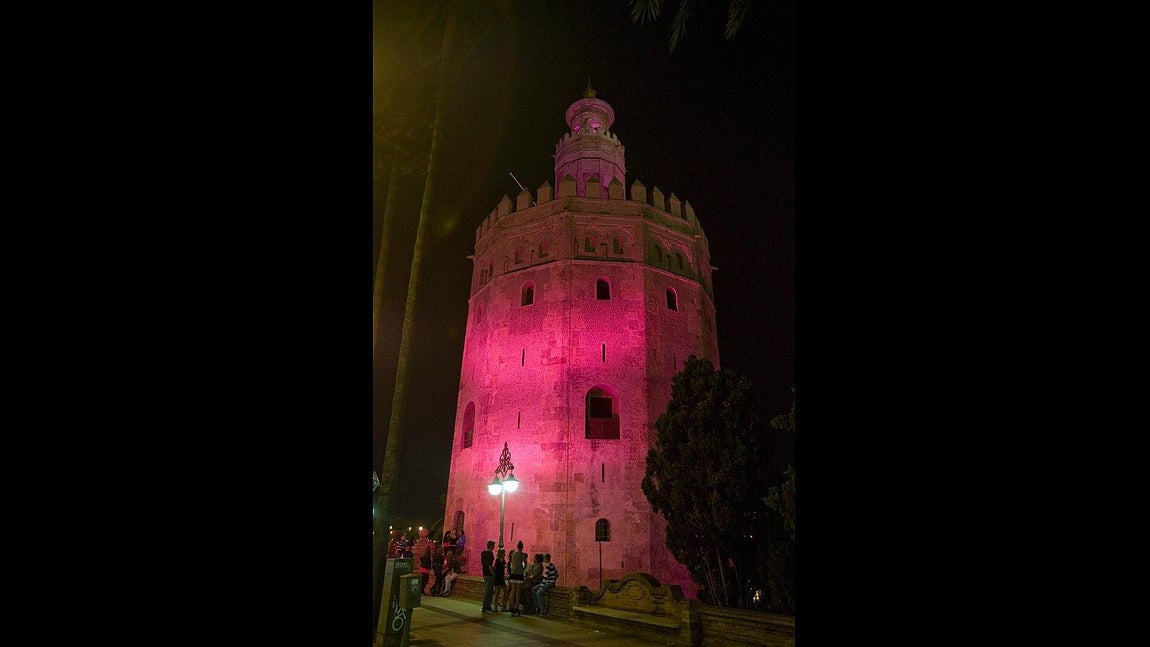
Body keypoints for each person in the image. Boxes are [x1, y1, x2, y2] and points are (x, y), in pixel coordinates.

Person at [502, 541, 528, 616]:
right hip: (519, 574)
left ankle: (511, 606)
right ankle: (516, 608)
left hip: (513, 574)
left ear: (517, 546)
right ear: (522, 547)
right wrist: (522, 569)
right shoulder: (522, 555)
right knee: (518, 592)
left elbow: (511, 563)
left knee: (512, 591)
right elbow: (525, 564)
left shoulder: (513, 554)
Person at [480, 540, 496, 613]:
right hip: (489, 574)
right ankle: (486, 607)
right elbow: (490, 565)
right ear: (491, 546)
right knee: (488, 592)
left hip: (485, 573)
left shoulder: (483, 553)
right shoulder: (490, 554)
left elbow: (483, 564)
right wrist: (493, 574)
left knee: (488, 591)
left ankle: (487, 607)